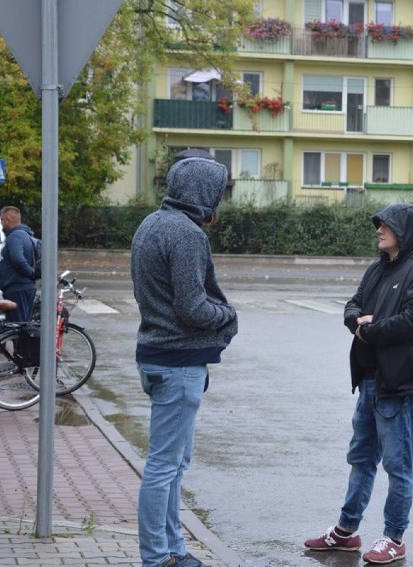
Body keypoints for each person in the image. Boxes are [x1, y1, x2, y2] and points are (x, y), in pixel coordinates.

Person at [304, 203, 413, 565]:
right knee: (361, 458)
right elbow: (353, 304)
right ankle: (346, 532)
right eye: (378, 225)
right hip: (369, 381)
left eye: (386, 226)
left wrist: (370, 328)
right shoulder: (377, 268)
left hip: (400, 384)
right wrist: (356, 322)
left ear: (404, 232)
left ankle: (394, 538)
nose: (378, 230)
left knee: (398, 465)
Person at [131, 157, 238, 567]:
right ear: (203, 191)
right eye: (218, 191)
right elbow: (194, 308)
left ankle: (174, 549)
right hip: (177, 362)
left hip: (157, 356)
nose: (220, 199)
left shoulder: (152, 223)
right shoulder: (187, 234)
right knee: (164, 466)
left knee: (174, 464)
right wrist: (228, 316)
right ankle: (158, 557)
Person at [0, 206, 40, 322]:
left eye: (1, 220)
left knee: (19, 327)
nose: (1, 223)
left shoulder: (15, 236)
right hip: (20, 288)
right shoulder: (24, 235)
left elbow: (18, 260)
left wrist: (31, 273)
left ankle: (22, 341)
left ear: (7, 220)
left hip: (17, 289)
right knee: (20, 325)